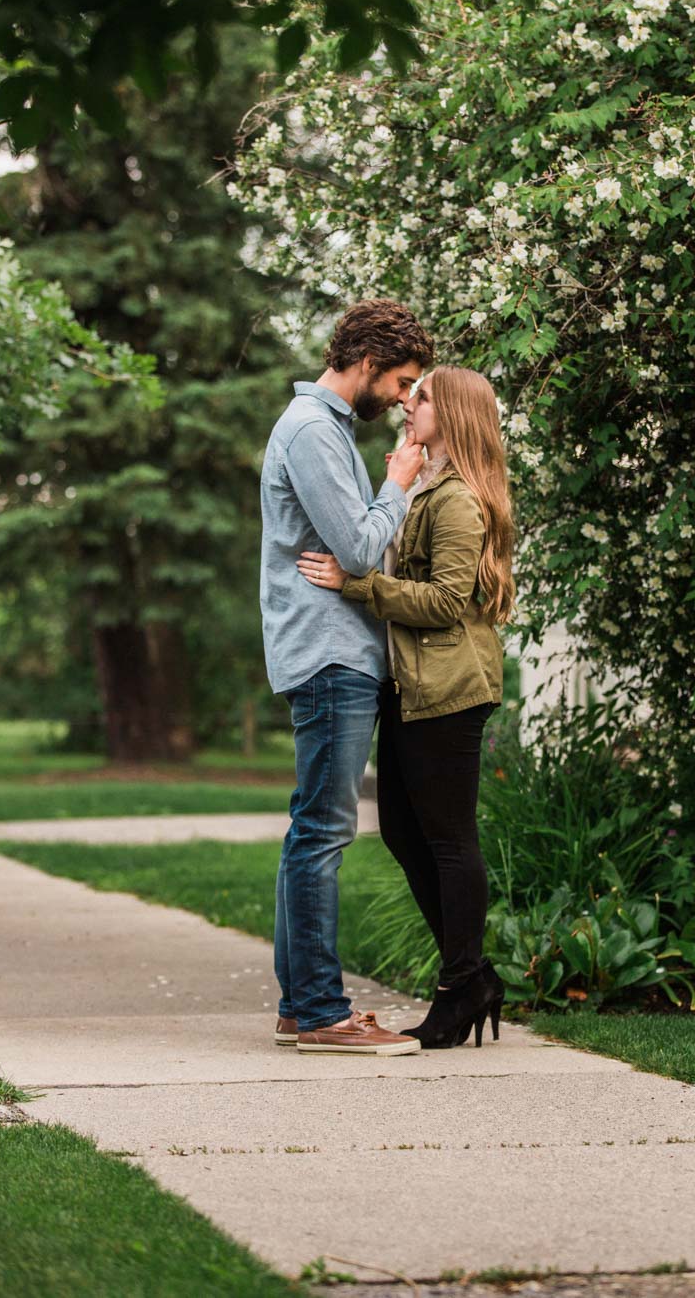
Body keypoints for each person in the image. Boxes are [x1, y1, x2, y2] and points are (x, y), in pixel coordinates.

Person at [297, 365, 515, 1049]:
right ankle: (471, 975)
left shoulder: (458, 499)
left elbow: (448, 603)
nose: (405, 404)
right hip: (413, 685)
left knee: (448, 839)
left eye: (418, 398)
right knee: (400, 831)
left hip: (448, 688)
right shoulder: (428, 485)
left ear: (448, 412)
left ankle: (461, 985)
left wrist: (359, 584)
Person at [260, 299, 434, 1055]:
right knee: (323, 833)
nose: (403, 399)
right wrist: (399, 478)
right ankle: (324, 1013)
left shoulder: (323, 430)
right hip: (331, 655)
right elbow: (362, 550)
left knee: (312, 830)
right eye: (400, 382)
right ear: (366, 364)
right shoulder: (311, 432)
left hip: (336, 650)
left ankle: (302, 1006)